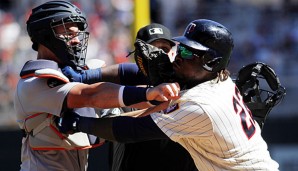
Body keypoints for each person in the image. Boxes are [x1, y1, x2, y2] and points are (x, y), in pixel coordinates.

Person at [57, 19, 280, 170]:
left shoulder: (201, 103)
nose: (177, 56)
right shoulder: (213, 78)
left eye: (188, 52)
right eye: (180, 47)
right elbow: (133, 72)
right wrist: (85, 76)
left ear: (211, 62)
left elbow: (130, 130)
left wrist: (77, 123)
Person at [14, 1, 179, 171]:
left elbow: (134, 104)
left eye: (78, 34)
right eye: (68, 33)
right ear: (44, 35)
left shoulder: (76, 73)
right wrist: (148, 93)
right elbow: (91, 95)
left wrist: (161, 94)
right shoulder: (33, 82)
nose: (77, 40)